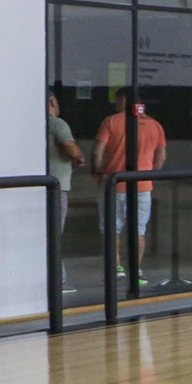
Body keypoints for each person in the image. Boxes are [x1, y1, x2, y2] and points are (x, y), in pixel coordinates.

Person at [93, 89, 167, 281]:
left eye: (117, 100)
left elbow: (98, 150)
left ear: (123, 100)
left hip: (114, 184)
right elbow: (161, 155)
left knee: (112, 228)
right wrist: (151, 175)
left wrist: (98, 171)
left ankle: (116, 268)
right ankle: (136, 269)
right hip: (142, 186)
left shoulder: (111, 121)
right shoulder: (155, 125)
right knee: (138, 229)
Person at [46, 91, 82, 272]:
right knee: (55, 234)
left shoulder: (34, 124)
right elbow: (70, 148)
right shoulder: (57, 124)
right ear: (52, 101)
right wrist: (80, 157)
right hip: (56, 187)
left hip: (40, 187)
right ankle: (58, 279)